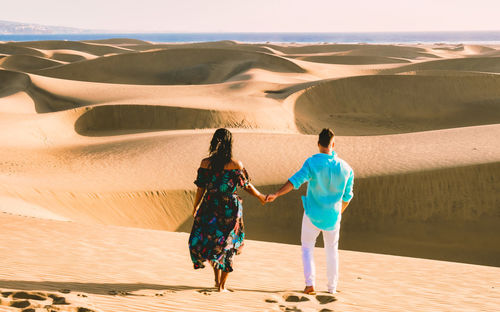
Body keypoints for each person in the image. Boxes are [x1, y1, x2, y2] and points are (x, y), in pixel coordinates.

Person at [266, 128, 354, 295]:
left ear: (318, 144)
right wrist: (339, 212)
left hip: (312, 214)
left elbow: (295, 181)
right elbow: (347, 196)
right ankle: (332, 288)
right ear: (333, 144)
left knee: (307, 248)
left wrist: (276, 193)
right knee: (332, 250)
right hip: (333, 217)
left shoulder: (312, 163)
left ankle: (310, 285)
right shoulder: (346, 168)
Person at [189, 128, 267, 292]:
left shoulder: (205, 163)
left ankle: (217, 282)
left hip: (210, 206)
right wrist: (260, 196)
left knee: (214, 242)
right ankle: (221, 285)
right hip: (229, 209)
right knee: (227, 245)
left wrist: (196, 206)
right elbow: (245, 185)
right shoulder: (235, 164)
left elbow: (200, 188)